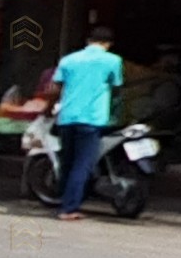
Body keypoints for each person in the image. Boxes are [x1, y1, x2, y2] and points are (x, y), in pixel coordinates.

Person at [46, 26, 124, 221]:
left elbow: (55, 88)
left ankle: (63, 201)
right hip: (92, 118)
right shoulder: (113, 60)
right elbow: (117, 87)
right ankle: (69, 209)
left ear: (88, 41)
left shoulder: (68, 60)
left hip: (67, 117)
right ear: (108, 44)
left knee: (67, 162)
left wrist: (48, 109)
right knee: (82, 164)